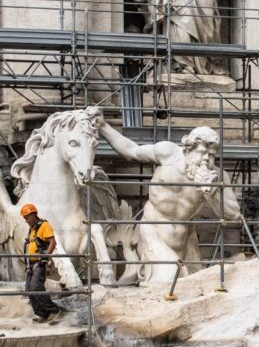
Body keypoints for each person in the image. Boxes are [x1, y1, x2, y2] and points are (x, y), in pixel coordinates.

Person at [97, 119, 241, 284]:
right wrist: (103, 126)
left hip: (185, 240)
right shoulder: (168, 153)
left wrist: (212, 191)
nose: (206, 159)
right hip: (153, 231)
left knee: (194, 285)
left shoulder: (218, 176)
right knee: (168, 279)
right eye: (202, 152)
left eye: (212, 155)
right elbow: (131, 150)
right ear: (189, 149)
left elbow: (234, 214)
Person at [21, 203, 62, 322]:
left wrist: (45, 257)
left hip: (39, 263)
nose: (26, 221)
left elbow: (52, 242)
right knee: (29, 290)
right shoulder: (33, 229)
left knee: (36, 287)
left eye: (27, 218)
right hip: (30, 264)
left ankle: (53, 310)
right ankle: (42, 314)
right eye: (25, 218)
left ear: (33, 214)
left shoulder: (44, 225)